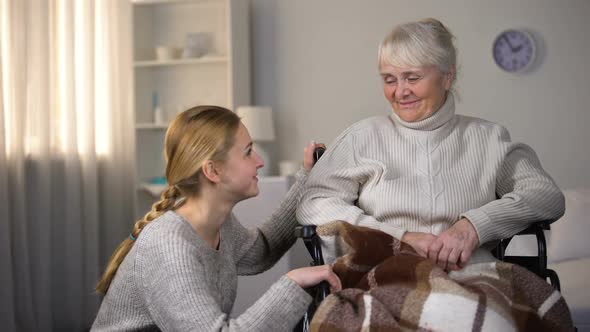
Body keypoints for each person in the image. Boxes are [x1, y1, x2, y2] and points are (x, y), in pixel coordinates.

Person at [297, 18, 565, 271]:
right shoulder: (361, 137)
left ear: (448, 77)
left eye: (412, 78)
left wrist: (473, 226)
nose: (400, 91)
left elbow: (546, 195)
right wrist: (401, 238)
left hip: (474, 279)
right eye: (390, 79)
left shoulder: (489, 138)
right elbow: (313, 203)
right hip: (385, 278)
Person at [92, 106, 341, 331]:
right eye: (248, 152)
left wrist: (307, 178)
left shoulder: (219, 226)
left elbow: (263, 250)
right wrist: (293, 283)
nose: (260, 162)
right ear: (212, 170)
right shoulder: (169, 245)